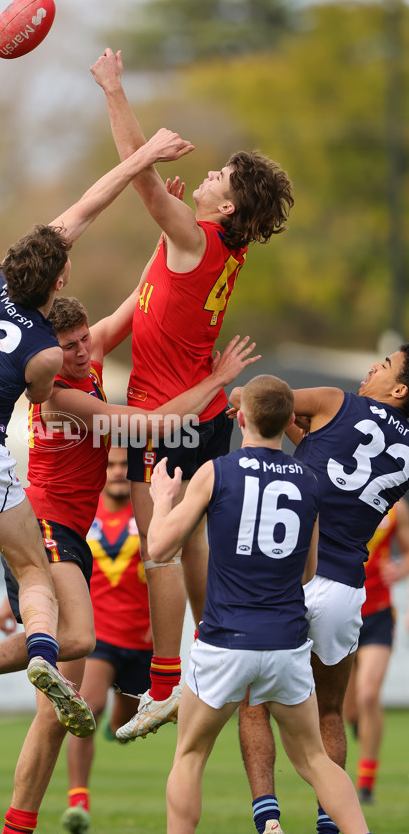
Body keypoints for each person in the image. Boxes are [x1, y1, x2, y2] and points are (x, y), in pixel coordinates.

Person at [0, 289, 259, 834]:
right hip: (43, 527)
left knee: (55, 700)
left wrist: (161, 219)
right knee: (78, 640)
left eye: (83, 339)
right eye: (66, 346)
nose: (80, 350)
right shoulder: (61, 393)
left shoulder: (86, 355)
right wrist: (219, 380)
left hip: (68, 533)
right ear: (48, 349)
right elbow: (154, 423)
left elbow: (137, 306)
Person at [0, 126, 194, 737]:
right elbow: (35, 394)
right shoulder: (48, 358)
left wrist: (143, 161)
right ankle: (41, 654)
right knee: (33, 572)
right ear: (57, 282)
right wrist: (149, 160)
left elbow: (83, 206)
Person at [90, 48, 295, 740]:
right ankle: (211, 653)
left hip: (169, 417)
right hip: (200, 413)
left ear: (226, 204)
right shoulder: (218, 246)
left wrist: (117, 93)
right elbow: (160, 269)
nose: (208, 174)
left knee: (161, 551)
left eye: (220, 175)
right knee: (192, 546)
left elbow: (140, 181)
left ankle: (170, 680)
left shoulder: (197, 238)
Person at [143, 374, 409, 834]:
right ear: (291, 423)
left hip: (226, 639)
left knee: (190, 756)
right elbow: (308, 570)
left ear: (241, 417)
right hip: (290, 640)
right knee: (314, 754)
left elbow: (158, 549)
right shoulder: (310, 482)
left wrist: (162, 497)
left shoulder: (218, 472)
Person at [232, 345, 409, 834]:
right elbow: (336, 467)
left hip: (289, 574)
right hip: (345, 588)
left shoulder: (336, 400)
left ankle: (267, 821)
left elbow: (261, 402)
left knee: (255, 701)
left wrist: (243, 400)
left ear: (400, 389)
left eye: (386, 365)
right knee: (330, 712)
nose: (374, 367)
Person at [60, 446, 153, 834]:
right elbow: (50, 554)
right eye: (110, 464)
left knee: (121, 727)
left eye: (123, 465)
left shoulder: (149, 511)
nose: (116, 471)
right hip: (97, 635)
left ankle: (121, 707)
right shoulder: (83, 512)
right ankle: (78, 800)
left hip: (142, 637)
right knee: (87, 707)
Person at [343, 498, 409, 804]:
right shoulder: (340, 495)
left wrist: (401, 568)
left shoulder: (397, 509)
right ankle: (359, 723)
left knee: (369, 695)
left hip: (379, 614)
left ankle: (366, 782)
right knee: (349, 709)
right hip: (342, 613)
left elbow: (407, 553)